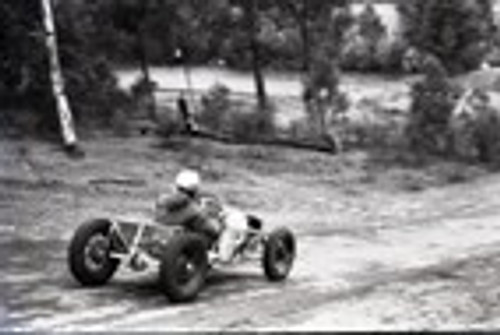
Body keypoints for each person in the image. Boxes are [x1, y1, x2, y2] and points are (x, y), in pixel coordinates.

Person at [155, 169, 253, 263]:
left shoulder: (163, 203)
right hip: (190, 244)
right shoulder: (194, 211)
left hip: (166, 238)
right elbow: (213, 230)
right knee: (225, 228)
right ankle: (231, 251)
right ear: (195, 189)